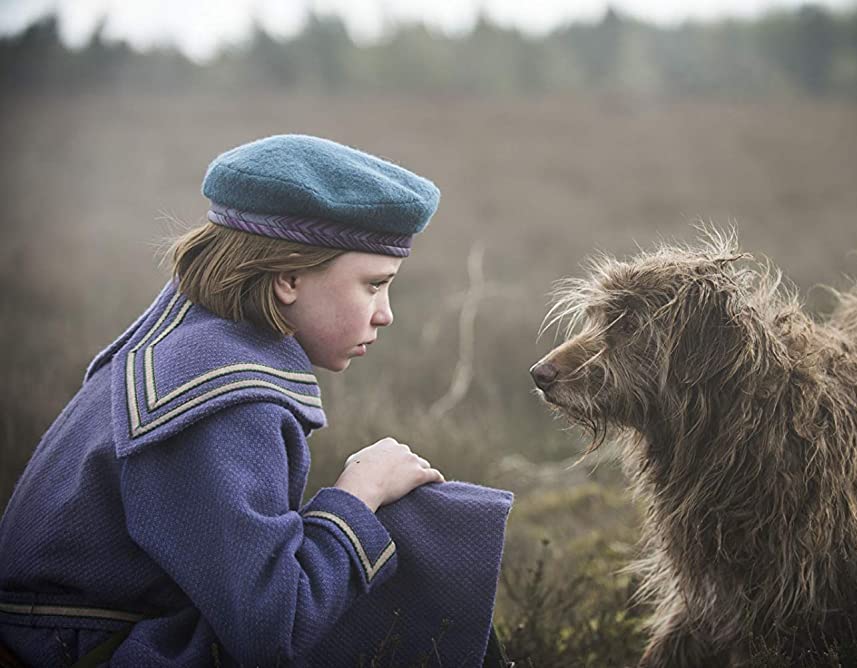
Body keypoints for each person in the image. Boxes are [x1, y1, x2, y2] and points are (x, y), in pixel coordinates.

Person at [0, 135, 513, 666]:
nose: (385, 313)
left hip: (76, 634)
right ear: (288, 278)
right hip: (80, 651)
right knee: (422, 539)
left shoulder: (194, 339)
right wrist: (357, 494)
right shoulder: (222, 401)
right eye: (373, 285)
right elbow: (274, 632)